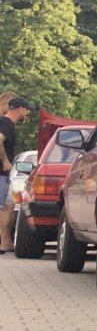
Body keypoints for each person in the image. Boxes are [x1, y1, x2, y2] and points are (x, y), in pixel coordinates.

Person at [0, 95, 33, 254]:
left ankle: (5, 242)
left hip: (3, 174)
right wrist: (5, 161)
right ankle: (3, 243)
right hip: (1, 172)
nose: (26, 114)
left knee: (8, 205)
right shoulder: (7, 123)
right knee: (2, 207)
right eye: (26, 110)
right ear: (20, 109)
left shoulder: (4, 122)